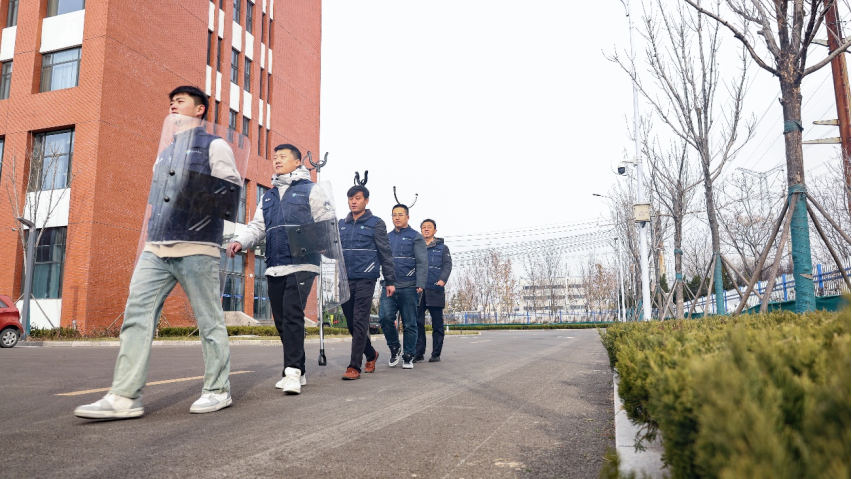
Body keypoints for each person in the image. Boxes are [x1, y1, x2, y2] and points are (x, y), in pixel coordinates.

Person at [75, 86, 240, 419]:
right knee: (136, 314)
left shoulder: (215, 145)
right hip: (156, 246)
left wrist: (196, 193)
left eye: (180, 102)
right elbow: (157, 202)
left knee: (208, 320)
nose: (173, 106)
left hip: (197, 246)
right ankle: (125, 396)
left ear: (200, 109)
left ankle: (217, 389)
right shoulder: (165, 153)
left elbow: (230, 194)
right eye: (171, 103)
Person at [226, 144, 334, 394]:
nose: (277, 160)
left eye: (283, 157)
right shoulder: (269, 196)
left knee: (293, 313)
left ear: (297, 162)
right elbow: (257, 227)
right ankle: (299, 370)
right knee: (281, 319)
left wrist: (325, 244)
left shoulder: (311, 190)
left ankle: (292, 371)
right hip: (275, 264)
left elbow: (327, 223)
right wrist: (241, 241)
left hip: (303, 262)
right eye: (275, 157)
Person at [338, 184, 395, 380]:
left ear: (366, 200)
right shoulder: (341, 224)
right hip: (344, 279)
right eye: (351, 198)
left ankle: (354, 366)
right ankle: (371, 354)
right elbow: (333, 251)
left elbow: (385, 253)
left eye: (358, 198)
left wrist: (390, 280)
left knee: (359, 320)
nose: (353, 202)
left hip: (366, 278)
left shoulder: (376, 223)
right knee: (351, 324)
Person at [380, 204, 427, 369]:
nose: (397, 218)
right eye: (394, 215)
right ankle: (394, 347)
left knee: (409, 323)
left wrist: (420, 283)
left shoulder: (416, 237)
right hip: (389, 286)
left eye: (400, 214)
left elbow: (422, 261)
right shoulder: (386, 237)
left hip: (409, 286)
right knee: (385, 318)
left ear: (408, 217)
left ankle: (408, 355)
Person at [414, 219, 452, 363]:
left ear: (435, 230)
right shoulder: (416, 247)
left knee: (437, 324)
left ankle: (436, 353)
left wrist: (442, 280)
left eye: (429, 227)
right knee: (418, 322)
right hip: (419, 290)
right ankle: (419, 352)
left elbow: (447, 265)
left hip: (435, 289)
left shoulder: (442, 248)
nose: (426, 229)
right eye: (424, 227)